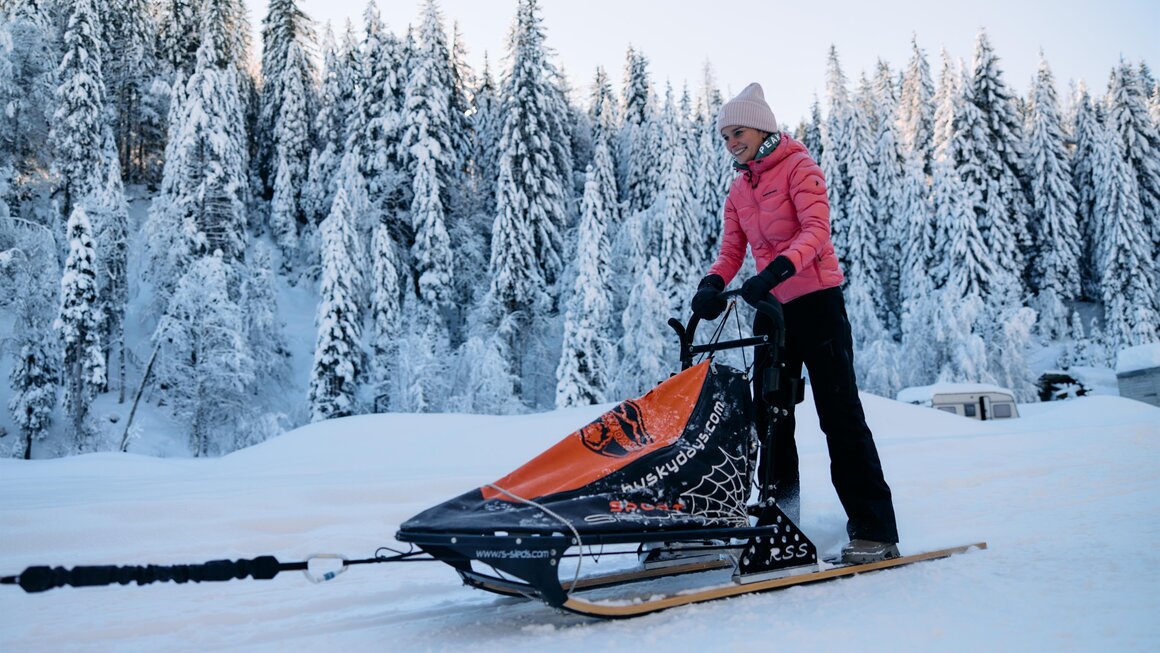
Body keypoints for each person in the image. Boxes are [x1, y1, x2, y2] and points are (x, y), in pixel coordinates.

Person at [690, 82, 899, 564]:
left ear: (761, 127)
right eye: (724, 136)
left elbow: (816, 232)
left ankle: (875, 530)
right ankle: (779, 522)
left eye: (736, 132)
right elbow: (731, 251)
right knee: (772, 421)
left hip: (819, 303)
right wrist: (710, 285)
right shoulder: (740, 188)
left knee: (839, 416)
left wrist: (777, 271)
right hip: (773, 313)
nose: (730, 143)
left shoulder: (800, 167)